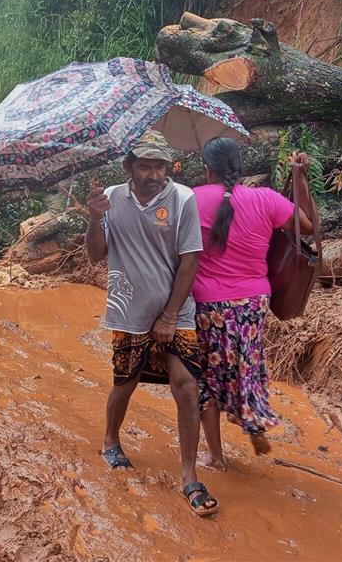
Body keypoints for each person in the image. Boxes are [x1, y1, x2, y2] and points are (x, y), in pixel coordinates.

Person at [85, 130, 218, 517]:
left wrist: (171, 314)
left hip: (176, 310)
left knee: (187, 387)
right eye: (145, 166)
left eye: (160, 165)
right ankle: (111, 440)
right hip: (128, 310)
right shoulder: (110, 199)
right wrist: (95, 219)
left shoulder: (183, 198)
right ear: (129, 167)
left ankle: (190, 476)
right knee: (124, 382)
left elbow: (190, 258)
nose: (154, 174)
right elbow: (96, 255)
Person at [192, 137, 314, 469]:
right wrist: (300, 178)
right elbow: (308, 227)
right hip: (253, 303)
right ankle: (254, 421)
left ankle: (217, 457)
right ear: (240, 167)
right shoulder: (266, 200)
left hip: (208, 305)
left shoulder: (191, 199)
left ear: (207, 170)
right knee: (247, 365)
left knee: (208, 376)